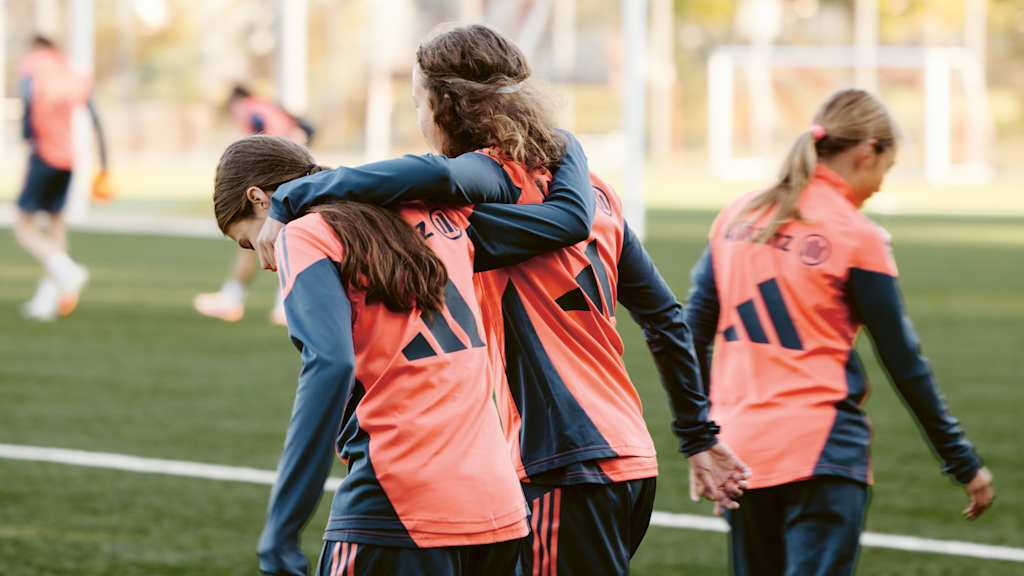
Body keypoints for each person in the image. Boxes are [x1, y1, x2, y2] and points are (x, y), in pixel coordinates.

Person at [254, 24, 749, 575]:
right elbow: (664, 317)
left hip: (557, 454)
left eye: (418, 101)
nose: (419, 120)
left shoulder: (476, 191)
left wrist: (297, 199)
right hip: (628, 455)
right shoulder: (592, 189)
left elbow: (428, 177)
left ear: (446, 105)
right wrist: (698, 435)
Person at [214, 132, 603, 575]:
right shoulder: (436, 218)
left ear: (258, 199)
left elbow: (331, 365)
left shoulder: (303, 234)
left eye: (247, 242)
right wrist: (565, 140)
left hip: (399, 504)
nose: (263, 260)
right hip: (498, 509)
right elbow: (567, 222)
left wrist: (281, 530)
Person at [684, 89, 995, 576]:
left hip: (740, 453)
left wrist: (702, 435)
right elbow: (904, 361)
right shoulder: (856, 235)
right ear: (866, 152)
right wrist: (963, 462)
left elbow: (689, 334)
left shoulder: (737, 217)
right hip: (821, 453)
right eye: (883, 172)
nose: (876, 189)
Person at [193, 84, 315, 325]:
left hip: (276, 183)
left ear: (236, 102)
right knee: (268, 241)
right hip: (286, 181)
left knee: (262, 238)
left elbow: (263, 149)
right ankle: (267, 302)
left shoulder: (252, 110)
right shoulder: (265, 106)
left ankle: (250, 301)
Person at [15, 35, 108, 321]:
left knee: (23, 226)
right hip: (69, 158)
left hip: (44, 154)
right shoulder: (72, 72)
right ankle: (48, 300)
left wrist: (27, 138)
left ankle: (67, 270)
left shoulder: (32, 65)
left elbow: (29, 104)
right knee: (56, 225)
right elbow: (95, 117)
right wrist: (105, 164)